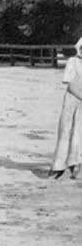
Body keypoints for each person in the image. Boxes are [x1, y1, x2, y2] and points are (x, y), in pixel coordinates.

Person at [48, 36, 82, 180]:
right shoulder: (72, 62)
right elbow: (69, 83)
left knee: (79, 131)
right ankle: (58, 165)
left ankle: (75, 163)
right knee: (65, 130)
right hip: (72, 98)